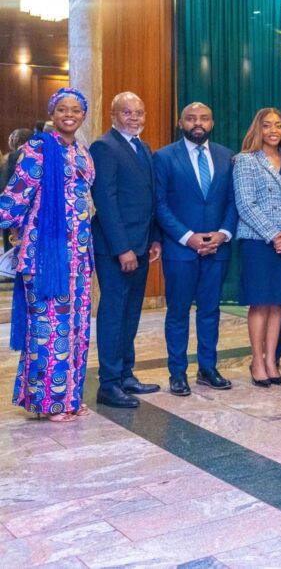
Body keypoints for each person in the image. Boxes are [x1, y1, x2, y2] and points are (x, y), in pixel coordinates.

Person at [0, 88, 95, 422]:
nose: (69, 115)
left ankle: (69, 397)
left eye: (76, 110)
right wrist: (11, 226)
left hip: (81, 257)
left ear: (83, 115)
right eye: (62, 109)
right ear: (53, 114)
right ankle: (49, 403)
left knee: (77, 329)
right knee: (48, 329)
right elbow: (14, 196)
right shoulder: (38, 149)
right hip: (45, 257)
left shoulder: (83, 151)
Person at [153, 102, 237, 397]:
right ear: (180, 122)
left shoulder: (228, 157)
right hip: (180, 250)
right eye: (191, 118)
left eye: (203, 118)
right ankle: (177, 372)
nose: (197, 123)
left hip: (217, 249)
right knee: (177, 312)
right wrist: (187, 237)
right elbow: (159, 204)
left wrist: (223, 234)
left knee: (210, 311)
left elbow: (232, 202)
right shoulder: (163, 157)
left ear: (212, 123)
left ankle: (207, 368)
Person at [90, 92, 162, 409]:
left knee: (131, 313)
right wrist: (123, 249)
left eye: (139, 112)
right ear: (113, 114)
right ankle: (108, 384)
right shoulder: (104, 147)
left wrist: (155, 238)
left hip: (143, 245)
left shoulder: (143, 148)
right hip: (116, 249)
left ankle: (126, 375)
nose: (134, 117)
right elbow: (105, 202)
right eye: (127, 112)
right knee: (114, 313)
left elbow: (150, 198)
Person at [233, 108, 281, 387]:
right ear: (258, 129)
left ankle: (272, 360)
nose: (273, 130)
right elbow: (245, 204)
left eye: (278, 125)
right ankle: (257, 361)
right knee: (260, 303)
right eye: (267, 126)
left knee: (278, 304)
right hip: (259, 242)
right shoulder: (246, 161)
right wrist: (275, 235)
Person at [1, 128, 31, 251]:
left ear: (15, 139)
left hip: (15, 219)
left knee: (13, 254)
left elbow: (6, 190)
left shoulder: (15, 156)